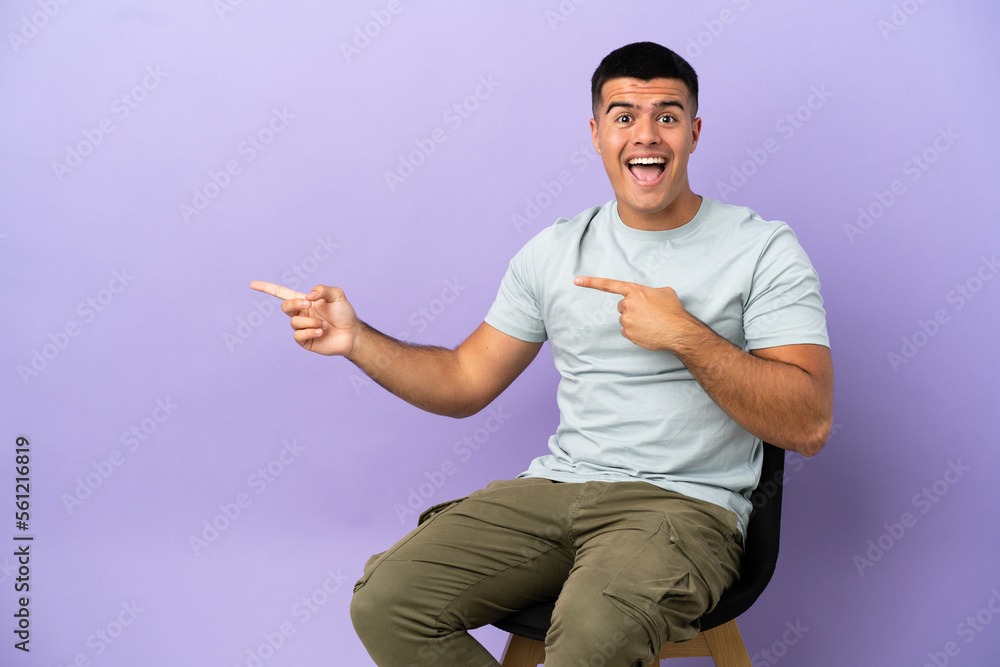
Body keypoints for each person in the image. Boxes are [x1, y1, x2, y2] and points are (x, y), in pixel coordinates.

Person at [252, 41, 833, 667]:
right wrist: (357, 340)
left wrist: (684, 334)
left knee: (592, 631)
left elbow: (808, 424)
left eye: (667, 116)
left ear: (693, 132)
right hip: (556, 490)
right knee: (387, 601)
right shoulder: (554, 251)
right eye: (623, 116)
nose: (646, 136)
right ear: (595, 133)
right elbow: (463, 380)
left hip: (682, 506)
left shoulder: (762, 249)